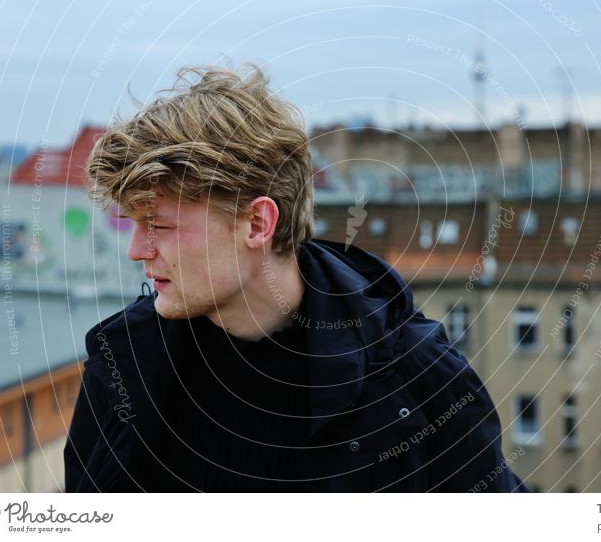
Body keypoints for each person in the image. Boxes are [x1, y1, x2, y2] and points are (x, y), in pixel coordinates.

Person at [64, 64, 528, 493]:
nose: (135, 250)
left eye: (158, 225)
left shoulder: (417, 379)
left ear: (257, 224)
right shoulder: (122, 367)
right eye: (134, 224)